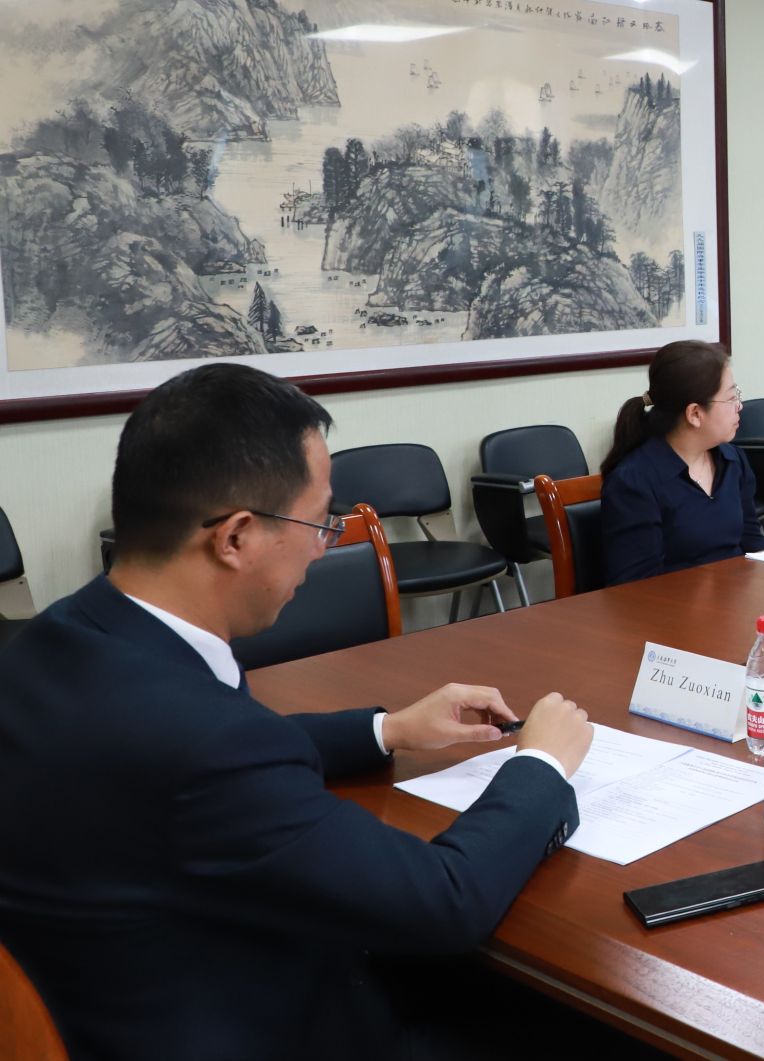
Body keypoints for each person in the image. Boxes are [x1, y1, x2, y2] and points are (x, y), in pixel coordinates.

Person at [0, 363, 595, 1061]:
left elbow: (193, 762)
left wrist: (388, 729)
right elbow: (445, 901)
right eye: (318, 523)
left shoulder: (55, 641)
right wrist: (541, 763)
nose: (323, 546)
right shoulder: (207, 745)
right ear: (235, 538)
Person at [600, 339, 764, 584]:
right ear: (695, 414)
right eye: (731, 398)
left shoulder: (732, 460)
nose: (739, 406)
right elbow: (637, 586)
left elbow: (752, 546)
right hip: (672, 606)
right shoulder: (634, 482)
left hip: (733, 597)